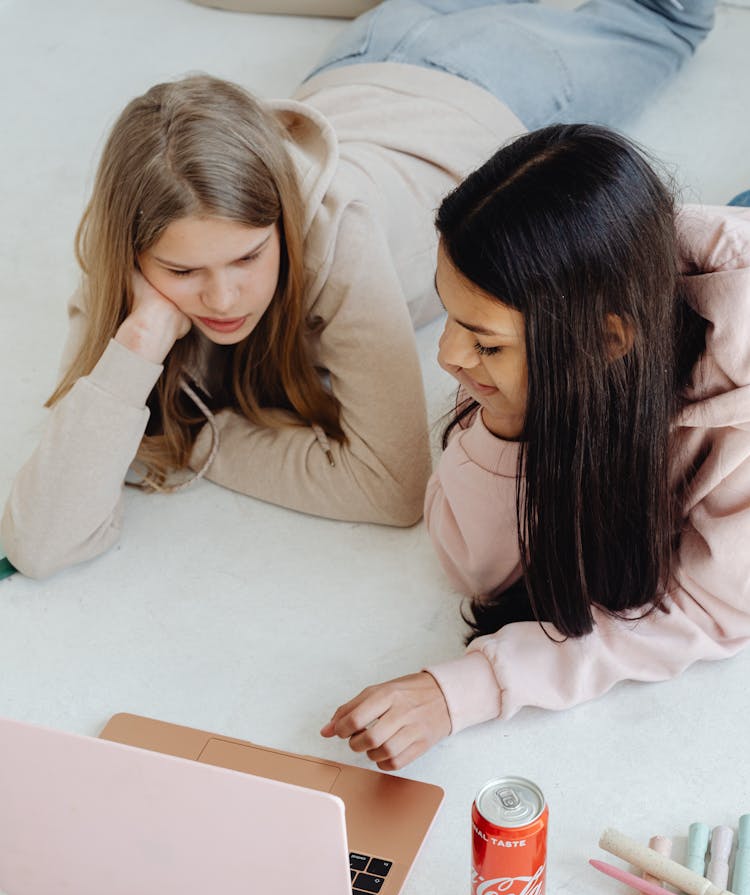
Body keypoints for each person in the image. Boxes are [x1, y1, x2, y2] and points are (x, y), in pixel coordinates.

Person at [1, 0, 716, 578]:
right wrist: (136, 344)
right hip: (367, 52)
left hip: (498, 84)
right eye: (183, 273)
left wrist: (185, 433)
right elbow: (41, 544)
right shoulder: (130, 240)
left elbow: (392, 484)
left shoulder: (339, 228)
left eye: (249, 256)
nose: (221, 299)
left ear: (282, 219)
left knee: (674, 12)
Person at [322, 124, 750, 771]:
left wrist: (468, 689)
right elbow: (472, 565)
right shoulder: (577, 296)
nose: (445, 357)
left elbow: (708, 611)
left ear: (609, 341)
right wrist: (506, 425)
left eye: (485, 343)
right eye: (449, 316)